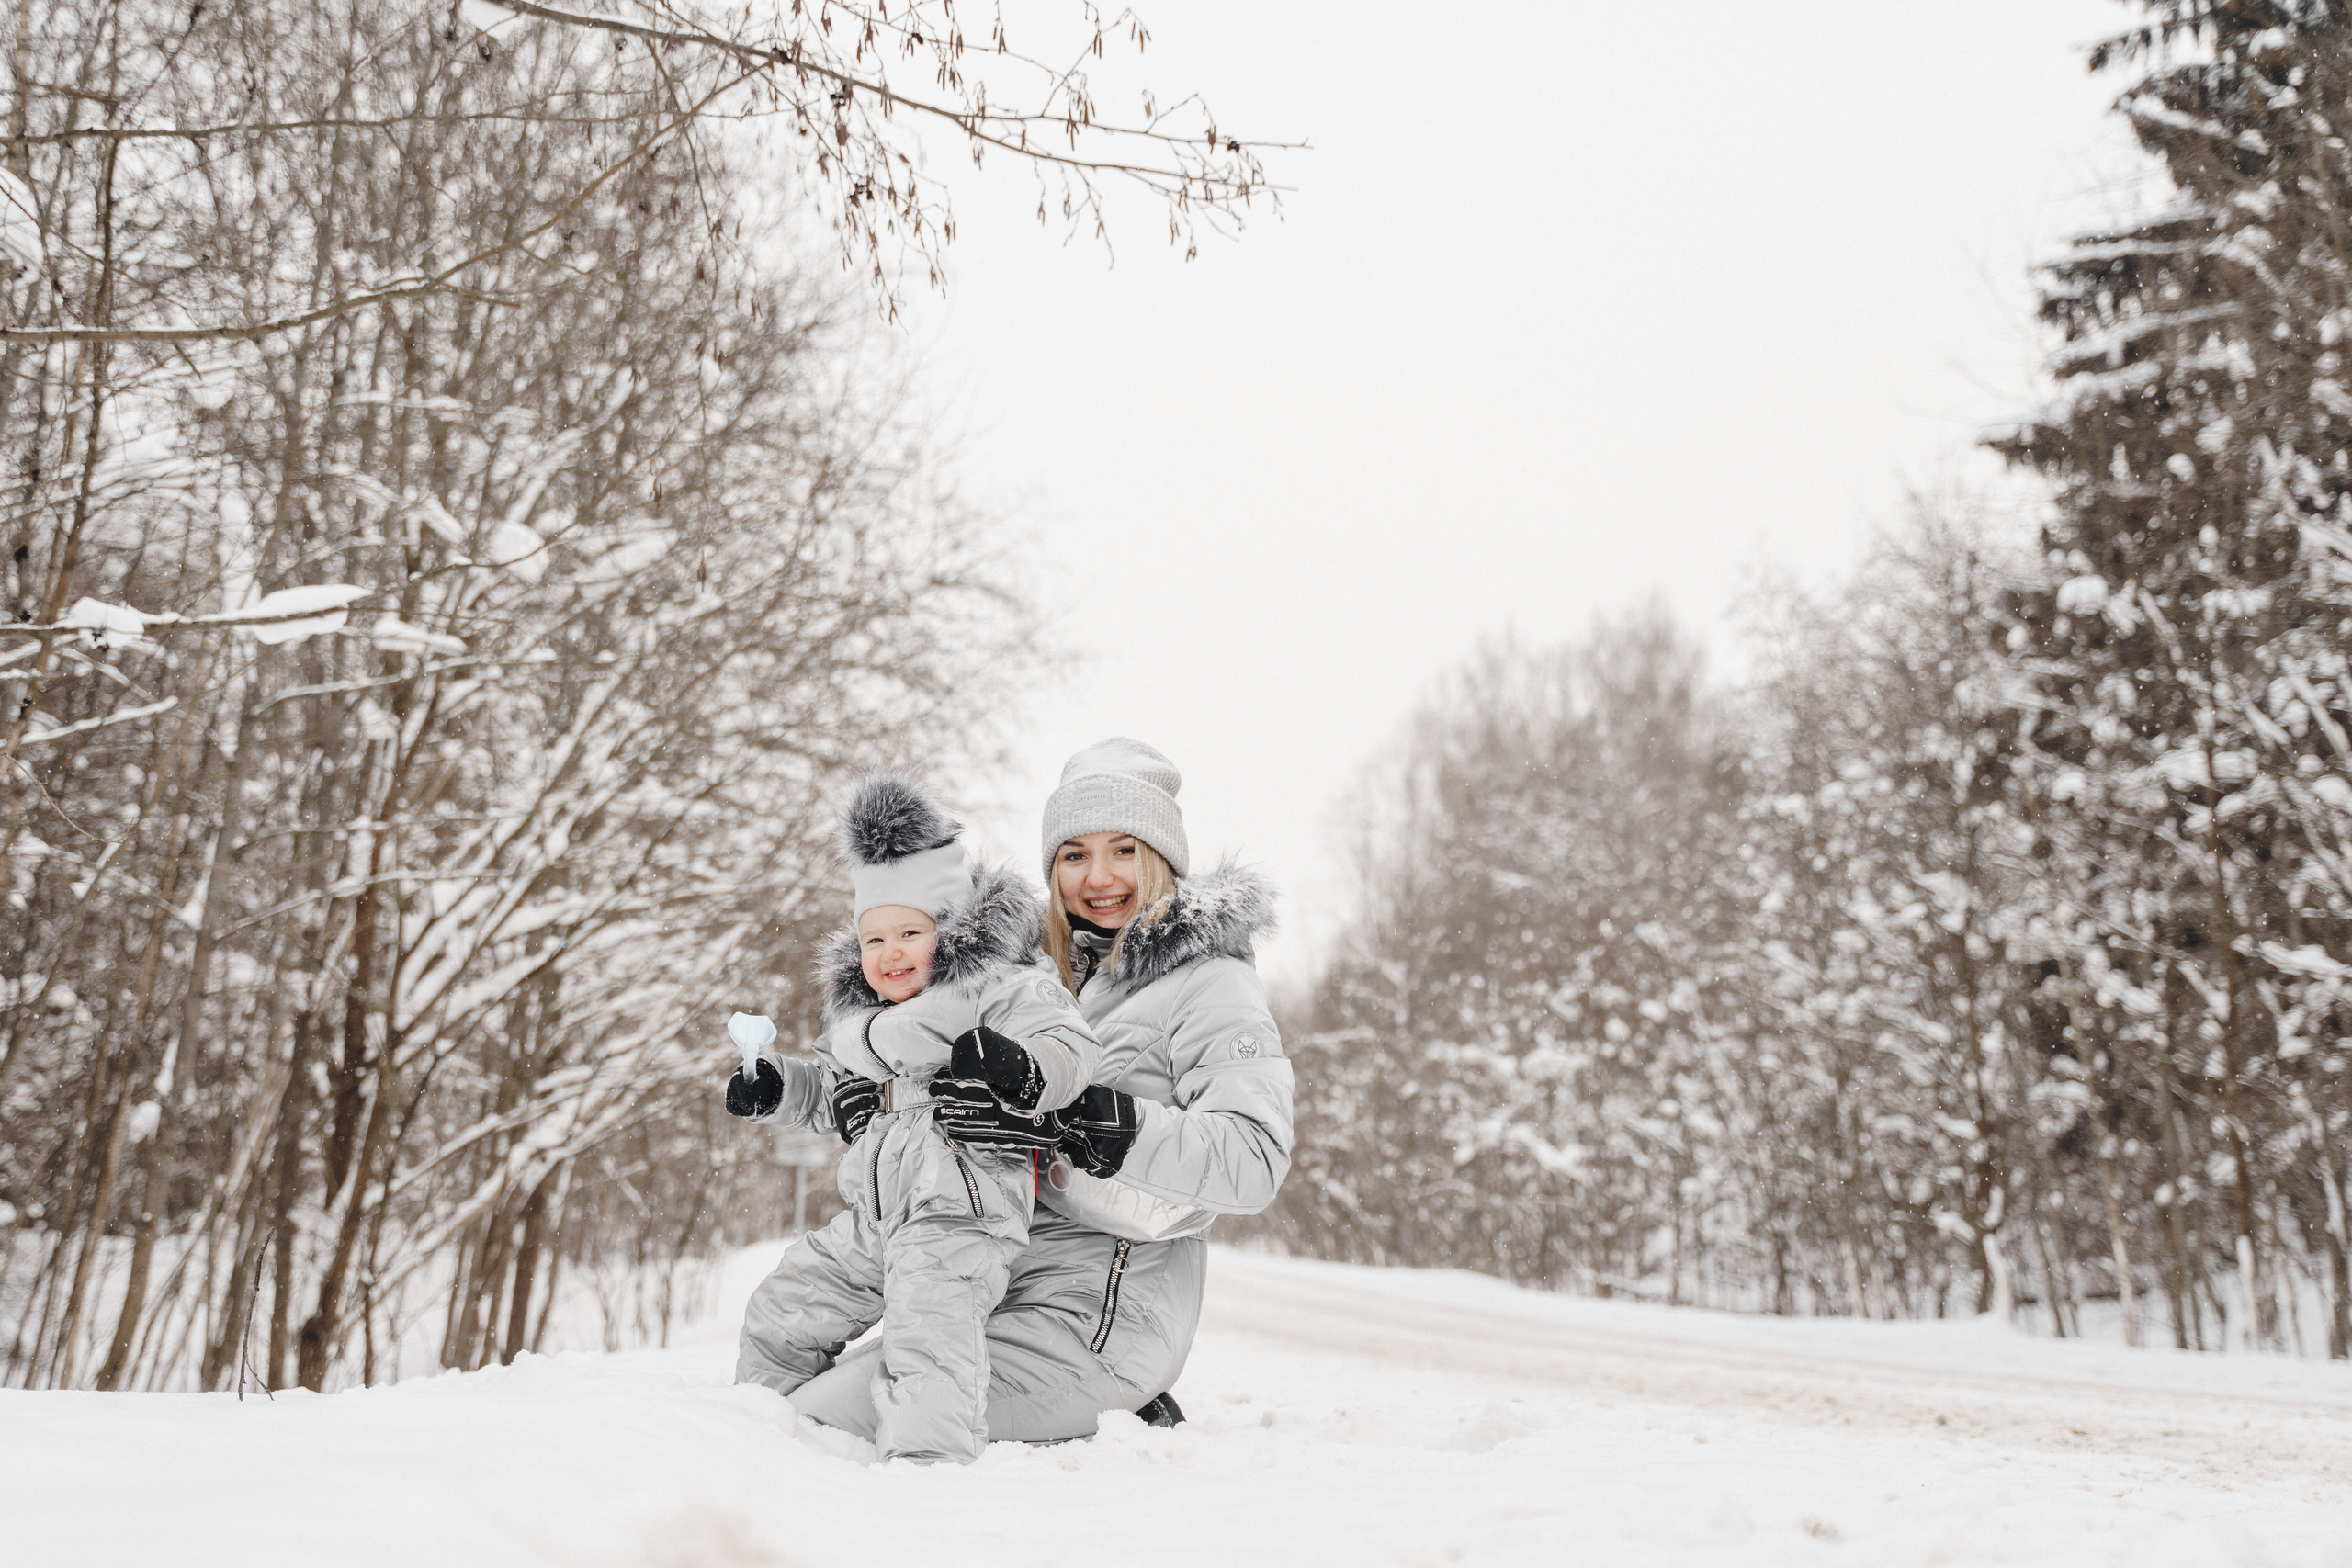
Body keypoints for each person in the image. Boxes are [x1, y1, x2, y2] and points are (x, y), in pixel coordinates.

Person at [785, 738, 1293, 1442]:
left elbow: (1254, 1158)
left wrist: (1092, 1120)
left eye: (1125, 849)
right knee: (802, 1398)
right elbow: (926, 1054)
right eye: (1075, 855)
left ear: (1162, 857)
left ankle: (1110, 1395)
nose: (1100, 877)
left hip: (1107, 1312)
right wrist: (870, 1095)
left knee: (826, 1423)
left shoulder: (1211, 981)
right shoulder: (1027, 972)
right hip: (992, 1289)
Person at [727, 776, 1100, 1464]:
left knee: (928, 1341)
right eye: (874, 937)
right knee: (786, 1304)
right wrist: (778, 1087)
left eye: (909, 932)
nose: (890, 952)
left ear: (953, 931)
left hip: (962, 1216)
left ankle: (929, 1476)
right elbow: (834, 1090)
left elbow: (1071, 1046)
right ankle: (767, 1441)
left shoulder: (1002, 989)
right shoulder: (867, 1023)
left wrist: (1022, 1068)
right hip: (877, 1217)